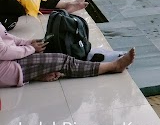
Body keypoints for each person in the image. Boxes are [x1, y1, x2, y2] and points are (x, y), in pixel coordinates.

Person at [0, 24, 135, 86]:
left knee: (54, 43)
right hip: (8, 66)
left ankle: (89, 56)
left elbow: (6, 36)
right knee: (63, 61)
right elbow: (3, 52)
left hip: (13, 57)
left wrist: (28, 43)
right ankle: (114, 66)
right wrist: (30, 48)